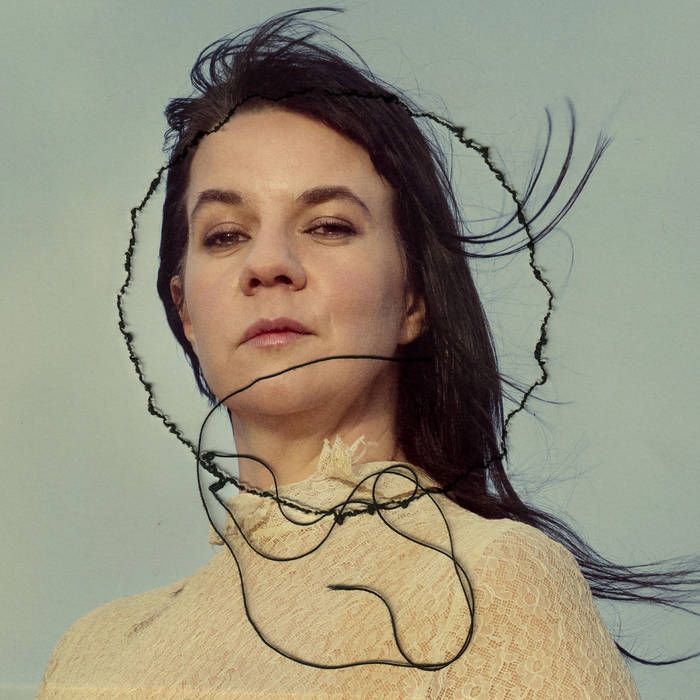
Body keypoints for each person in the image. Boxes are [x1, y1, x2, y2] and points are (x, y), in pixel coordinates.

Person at [38, 8, 697, 698]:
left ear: (413, 298)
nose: (268, 264)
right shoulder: (92, 652)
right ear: (185, 310)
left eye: (327, 226)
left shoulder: (493, 581)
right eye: (226, 234)